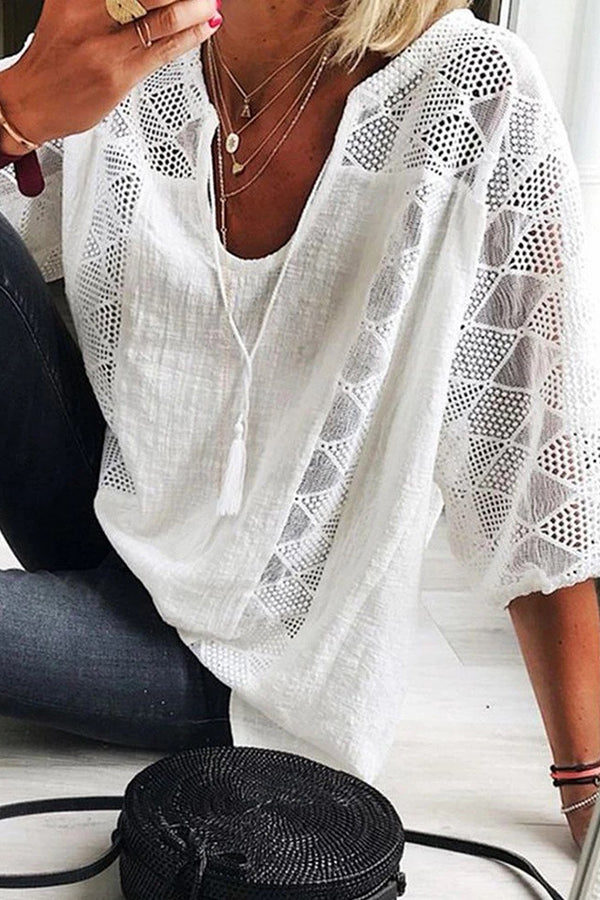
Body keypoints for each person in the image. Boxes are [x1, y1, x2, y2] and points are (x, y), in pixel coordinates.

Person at [0, 0, 599, 852]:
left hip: (245, 657)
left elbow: (536, 472)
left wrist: (587, 781)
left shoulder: (473, 91)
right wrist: (16, 111)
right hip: (103, 508)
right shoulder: (128, 43)